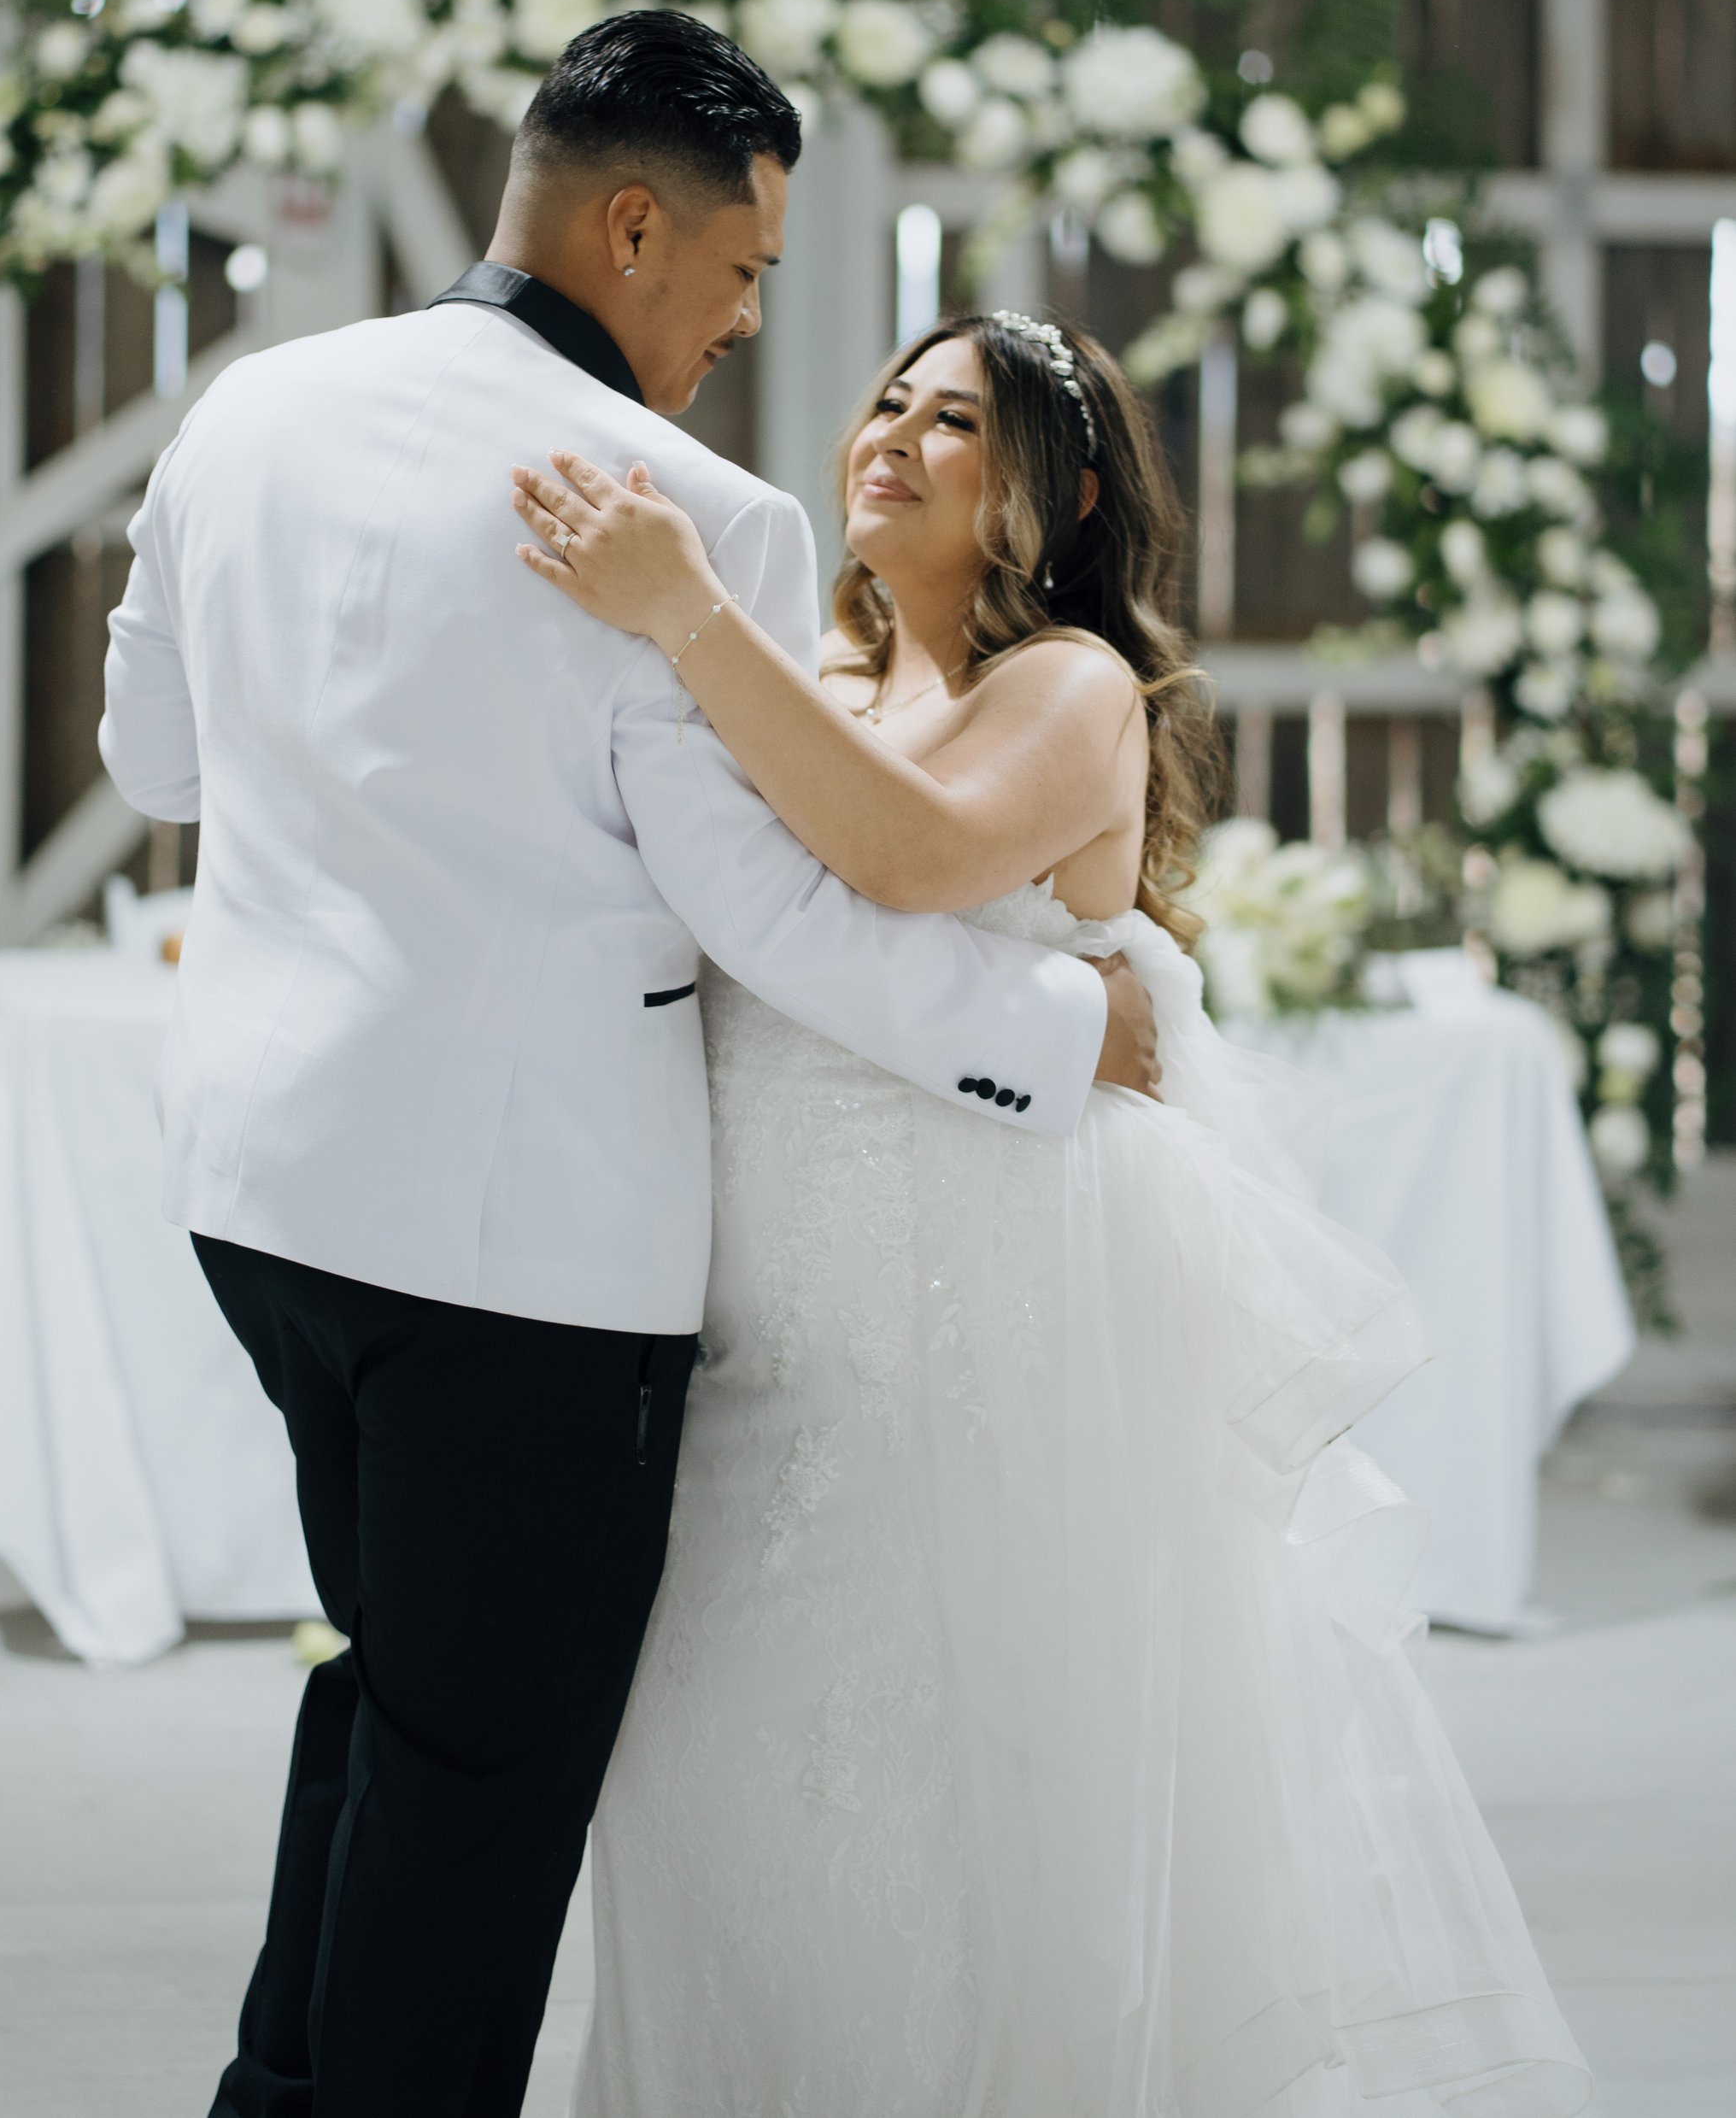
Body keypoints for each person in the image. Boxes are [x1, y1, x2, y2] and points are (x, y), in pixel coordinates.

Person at [97, 11, 1160, 2118]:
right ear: (630, 223)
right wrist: (1066, 1027)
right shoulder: (683, 508)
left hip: (263, 1190)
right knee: (481, 1783)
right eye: (747, 270)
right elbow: (774, 910)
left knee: (391, 1691)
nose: (753, 319)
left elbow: (155, 758)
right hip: (518, 1259)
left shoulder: (251, 406)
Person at [512, 310, 1592, 2118]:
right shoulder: (804, 677)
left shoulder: (1072, 685)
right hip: (760, 1327)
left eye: (958, 421)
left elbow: (912, 857)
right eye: (888, 401)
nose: (895, 436)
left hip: (987, 1322)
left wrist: (685, 615)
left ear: (1059, 492)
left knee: (960, 1794)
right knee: (733, 1787)